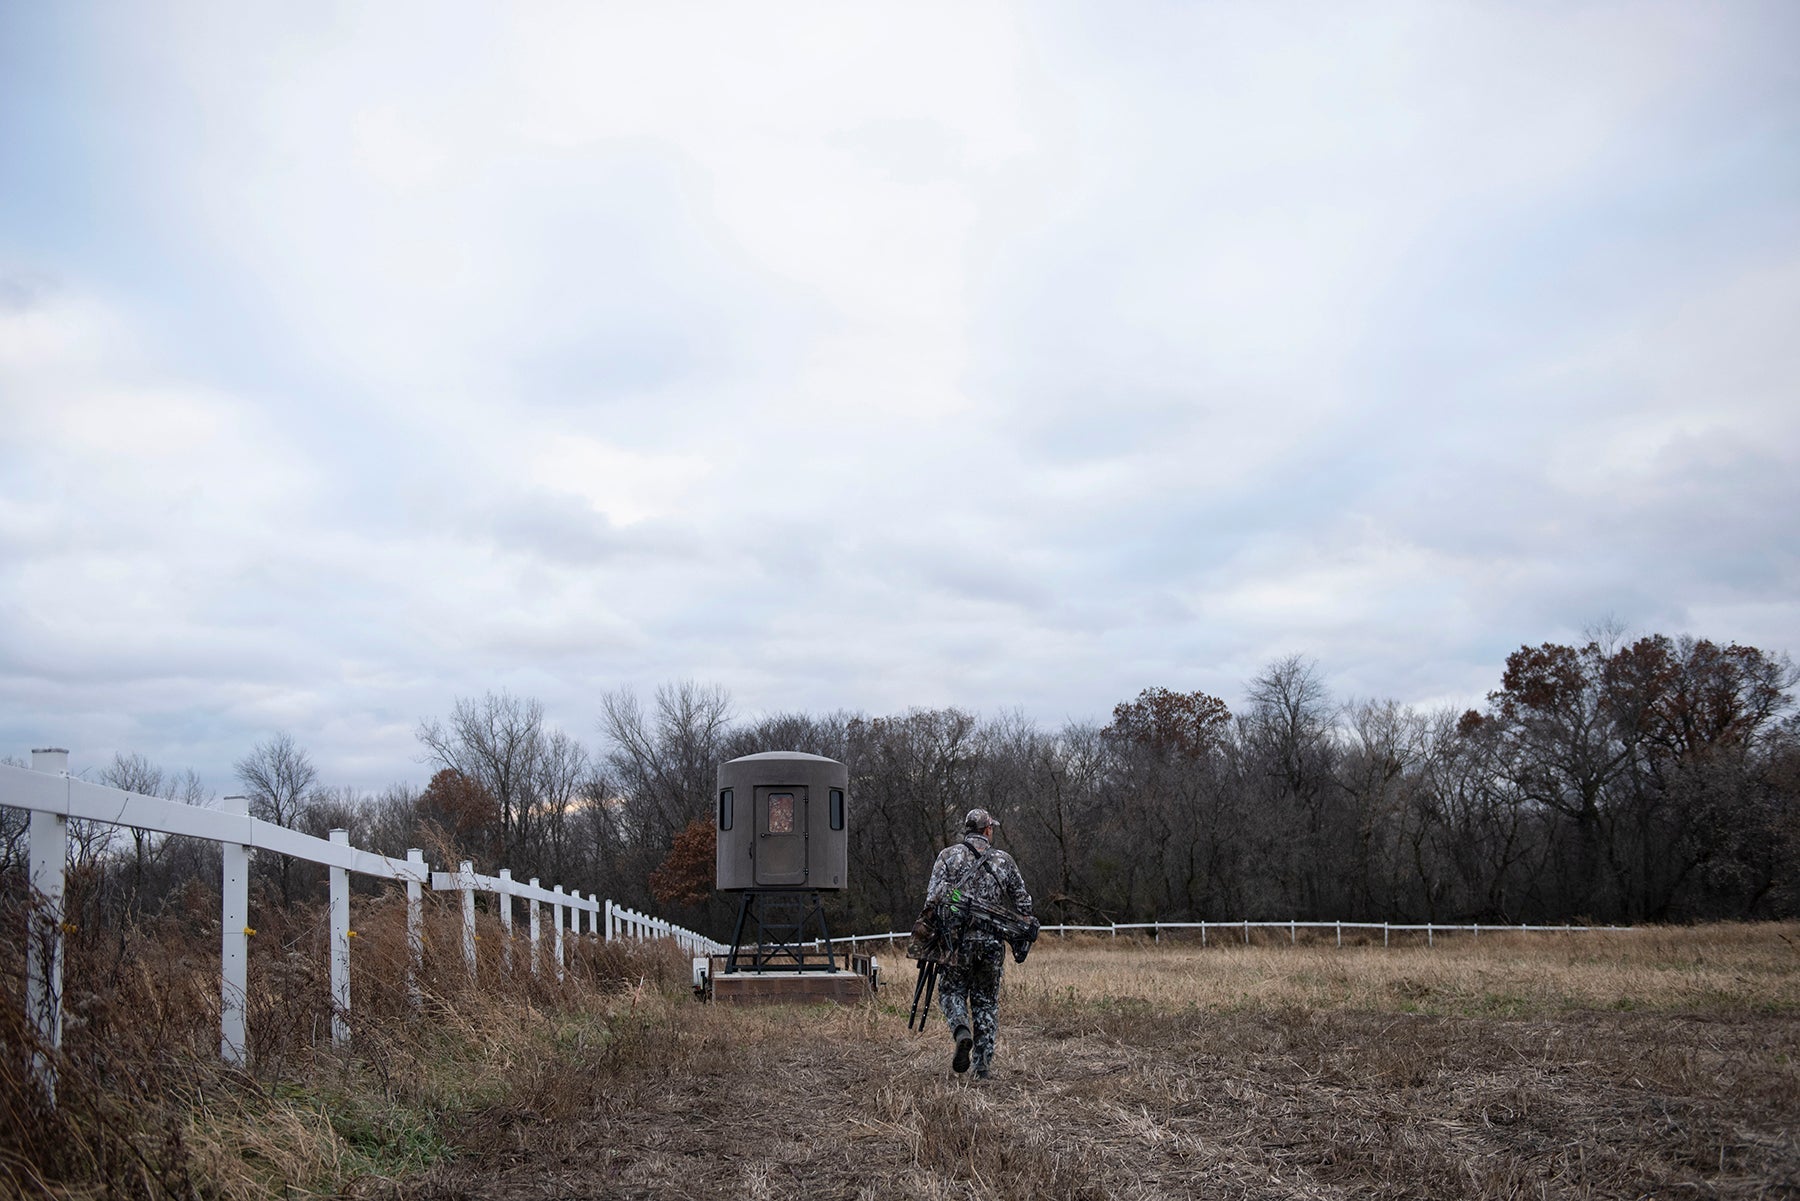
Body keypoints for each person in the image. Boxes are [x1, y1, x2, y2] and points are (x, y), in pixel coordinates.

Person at [922, 807, 1035, 1079]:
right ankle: (982, 1067)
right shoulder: (1003, 861)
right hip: (992, 944)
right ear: (987, 830)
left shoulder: (947, 857)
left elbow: (934, 899)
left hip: (957, 943)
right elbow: (1024, 904)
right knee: (986, 1003)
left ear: (967, 830)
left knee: (951, 992)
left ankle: (961, 1030)